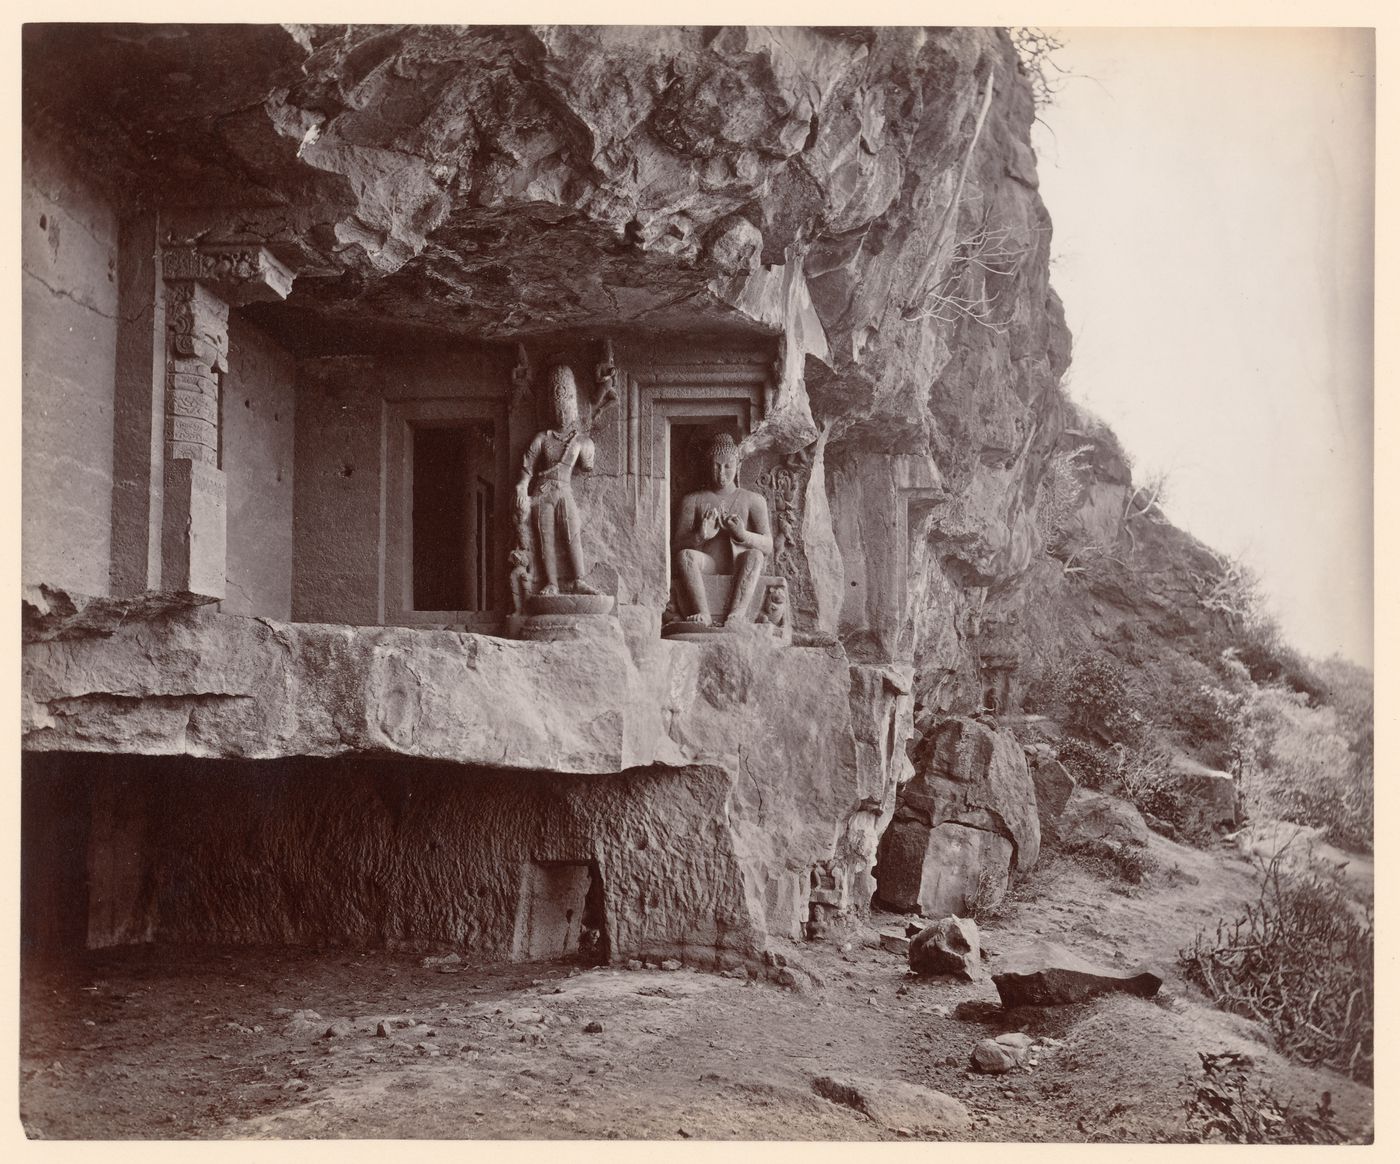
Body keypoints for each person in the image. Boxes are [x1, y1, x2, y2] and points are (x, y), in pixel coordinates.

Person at [671, 432, 773, 626]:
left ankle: (737, 614)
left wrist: (743, 535)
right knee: (685, 556)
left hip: (740, 563)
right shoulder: (693, 500)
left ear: (738, 466)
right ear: (708, 467)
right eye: (716, 467)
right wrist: (700, 535)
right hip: (708, 563)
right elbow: (676, 547)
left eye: (728, 466)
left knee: (755, 555)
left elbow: (768, 546)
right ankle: (703, 613)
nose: (722, 474)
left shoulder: (753, 500)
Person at [518, 365, 600, 596]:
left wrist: (586, 448)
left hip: (564, 491)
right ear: (549, 406)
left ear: (575, 404)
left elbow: (587, 467)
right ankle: (551, 582)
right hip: (542, 492)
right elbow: (527, 468)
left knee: (572, 532)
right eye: (557, 405)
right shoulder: (542, 438)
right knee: (546, 538)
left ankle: (578, 579)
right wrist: (521, 488)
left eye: (567, 402)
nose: (562, 412)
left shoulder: (582, 441)